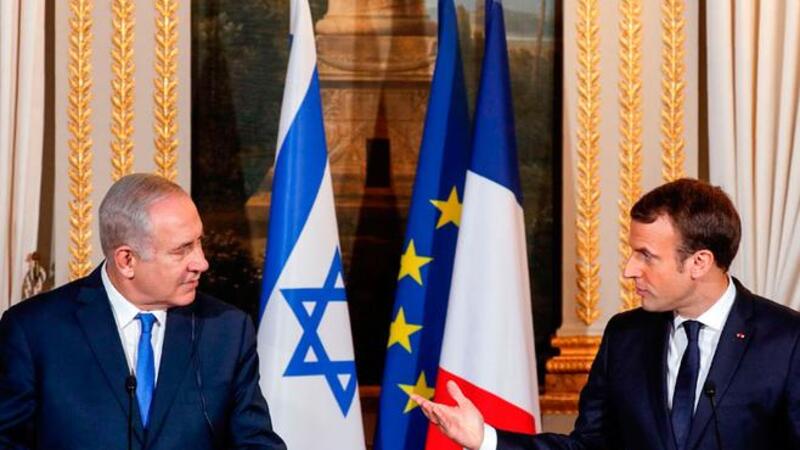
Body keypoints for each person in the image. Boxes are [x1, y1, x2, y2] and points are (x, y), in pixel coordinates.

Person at [414, 178, 800, 450]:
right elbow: (589, 446)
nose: (630, 269)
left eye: (646, 255)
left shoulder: (787, 340)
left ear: (699, 262)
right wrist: (485, 439)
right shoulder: (626, 335)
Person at [0, 174, 286, 449]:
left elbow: (256, 443)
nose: (201, 263)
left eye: (199, 242)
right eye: (182, 250)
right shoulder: (34, 331)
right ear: (126, 260)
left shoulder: (226, 331)